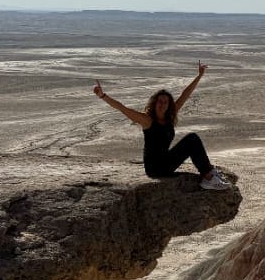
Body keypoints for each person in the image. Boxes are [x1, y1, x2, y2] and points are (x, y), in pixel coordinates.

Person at [93, 62, 233, 190]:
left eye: (165, 102)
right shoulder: (147, 120)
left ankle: (208, 173)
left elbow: (185, 94)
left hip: (165, 162)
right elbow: (122, 108)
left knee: (193, 139)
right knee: (192, 139)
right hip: (155, 168)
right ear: (154, 103)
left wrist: (199, 76)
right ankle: (208, 177)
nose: (162, 104)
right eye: (160, 101)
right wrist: (102, 96)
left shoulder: (169, 117)